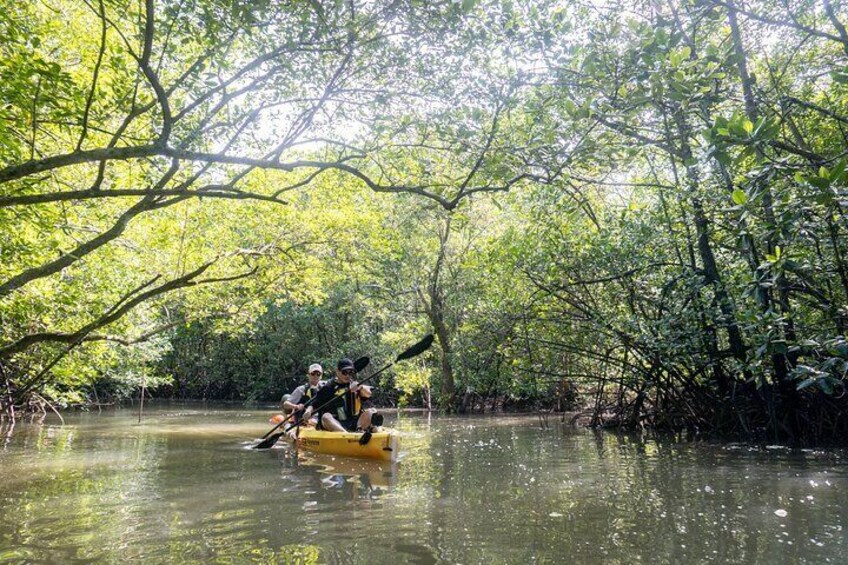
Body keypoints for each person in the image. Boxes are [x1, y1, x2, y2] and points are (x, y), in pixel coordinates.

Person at [304, 357, 378, 433]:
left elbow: (368, 393)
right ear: (337, 371)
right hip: (336, 423)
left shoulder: (355, 385)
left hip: (354, 423)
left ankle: (359, 430)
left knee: (372, 412)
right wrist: (308, 411)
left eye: (350, 372)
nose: (347, 375)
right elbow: (314, 404)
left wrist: (360, 387)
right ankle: (346, 435)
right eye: (344, 372)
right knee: (326, 417)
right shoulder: (329, 387)